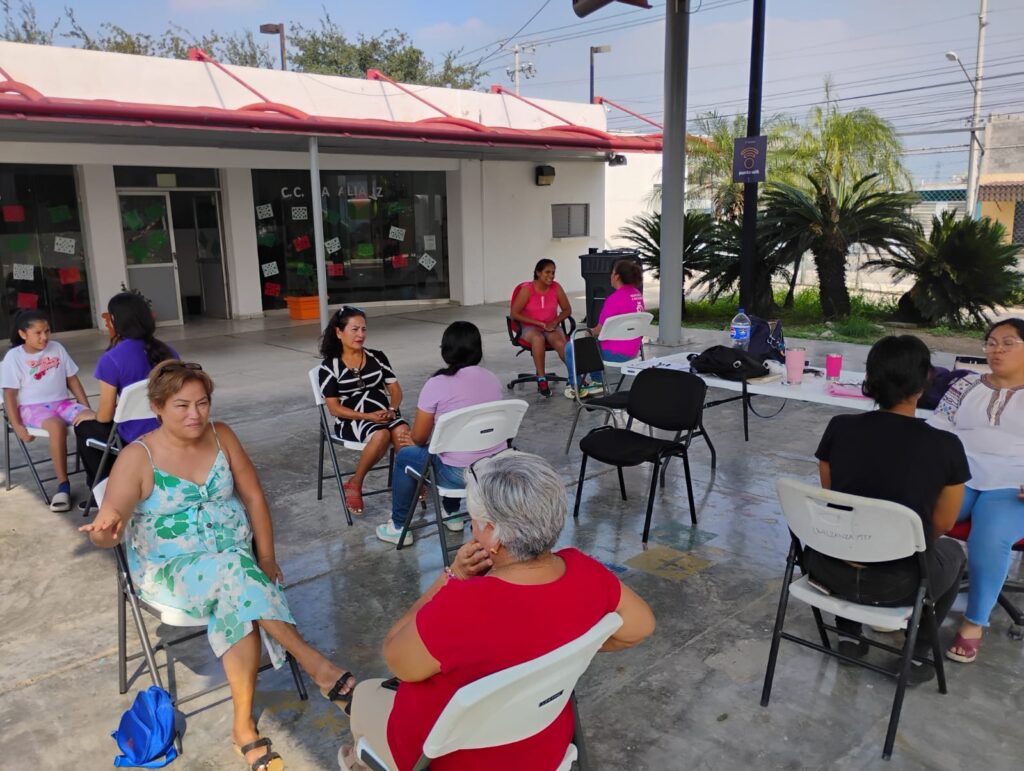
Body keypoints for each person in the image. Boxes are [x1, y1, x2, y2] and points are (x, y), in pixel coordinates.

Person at [80, 361, 357, 771]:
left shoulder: (221, 435)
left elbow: (254, 497)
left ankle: (243, 727)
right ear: (158, 407)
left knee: (237, 593)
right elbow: (110, 525)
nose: (195, 414)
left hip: (235, 565)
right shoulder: (138, 457)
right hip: (170, 572)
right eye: (181, 405)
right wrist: (104, 532)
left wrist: (267, 556)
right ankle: (318, 667)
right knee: (236, 574)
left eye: (202, 403)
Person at [343, 452, 656, 770]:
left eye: (474, 522)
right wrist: (566, 651)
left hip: (448, 761)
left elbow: (398, 659)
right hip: (544, 751)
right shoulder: (586, 573)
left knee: (365, 694)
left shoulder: (462, 605)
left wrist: (452, 576)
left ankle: (359, 759)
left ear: (492, 534)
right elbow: (641, 626)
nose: (471, 529)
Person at [805, 335, 968, 681]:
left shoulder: (839, 428)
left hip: (826, 571)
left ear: (869, 379)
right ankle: (917, 656)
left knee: (850, 529)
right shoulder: (946, 446)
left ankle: (849, 636)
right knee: (954, 553)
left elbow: (835, 497)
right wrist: (894, 544)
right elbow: (942, 523)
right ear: (924, 383)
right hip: (899, 584)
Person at [927, 318, 1024, 664]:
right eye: (991, 343)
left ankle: (974, 622)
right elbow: (936, 430)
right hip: (960, 476)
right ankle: (904, 595)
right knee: (920, 518)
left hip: (1013, 483)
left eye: (1008, 343)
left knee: (990, 535)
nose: (996, 350)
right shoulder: (965, 385)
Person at [376, 321, 503, 545]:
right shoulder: (492, 379)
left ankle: (398, 527)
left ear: (446, 350)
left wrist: (411, 439)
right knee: (451, 449)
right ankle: (451, 513)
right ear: (478, 350)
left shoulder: (437, 384)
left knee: (405, 456)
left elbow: (420, 437)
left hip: (457, 475)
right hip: (494, 470)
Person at [74, 292, 178, 493]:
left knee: (84, 427)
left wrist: (91, 414)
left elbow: (105, 416)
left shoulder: (112, 359)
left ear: (115, 320)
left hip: (134, 435)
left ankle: (103, 490)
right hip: (170, 427)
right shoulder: (168, 351)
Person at [318, 306, 413, 515]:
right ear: (339, 332)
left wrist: (392, 409)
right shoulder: (329, 367)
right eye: (354, 329)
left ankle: (409, 480)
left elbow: (395, 390)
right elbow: (334, 409)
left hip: (384, 414)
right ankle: (355, 482)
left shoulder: (377, 357)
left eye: (363, 329)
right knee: (381, 435)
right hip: (351, 420)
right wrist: (366, 416)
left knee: (402, 430)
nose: (360, 335)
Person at [1, 310, 94, 511]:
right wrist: (17, 425)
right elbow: (9, 395)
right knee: (57, 427)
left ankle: (97, 480)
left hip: (62, 404)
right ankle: (63, 485)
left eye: (47, 331)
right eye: (38, 333)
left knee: (93, 420)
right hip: (31, 409)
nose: (44, 337)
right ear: (23, 334)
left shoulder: (57, 348)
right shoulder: (14, 357)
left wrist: (85, 407)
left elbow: (72, 380)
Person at [563, 258, 645, 398]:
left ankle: (576, 387)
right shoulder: (637, 295)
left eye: (612, 273)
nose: (610, 276)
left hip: (614, 353)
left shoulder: (614, 299)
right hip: (634, 350)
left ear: (616, 276)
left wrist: (588, 334)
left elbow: (598, 330)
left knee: (572, 347)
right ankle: (596, 382)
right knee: (593, 344)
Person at [509, 259, 572, 397]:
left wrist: (555, 322)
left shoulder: (556, 287)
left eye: (553, 272)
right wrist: (537, 323)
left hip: (550, 325)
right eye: (547, 272)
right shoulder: (527, 290)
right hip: (530, 327)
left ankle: (574, 377)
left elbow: (567, 310)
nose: (551, 276)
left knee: (560, 343)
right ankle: (542, 378)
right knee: (538, 339)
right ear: (538, 273)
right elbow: (514, 314)